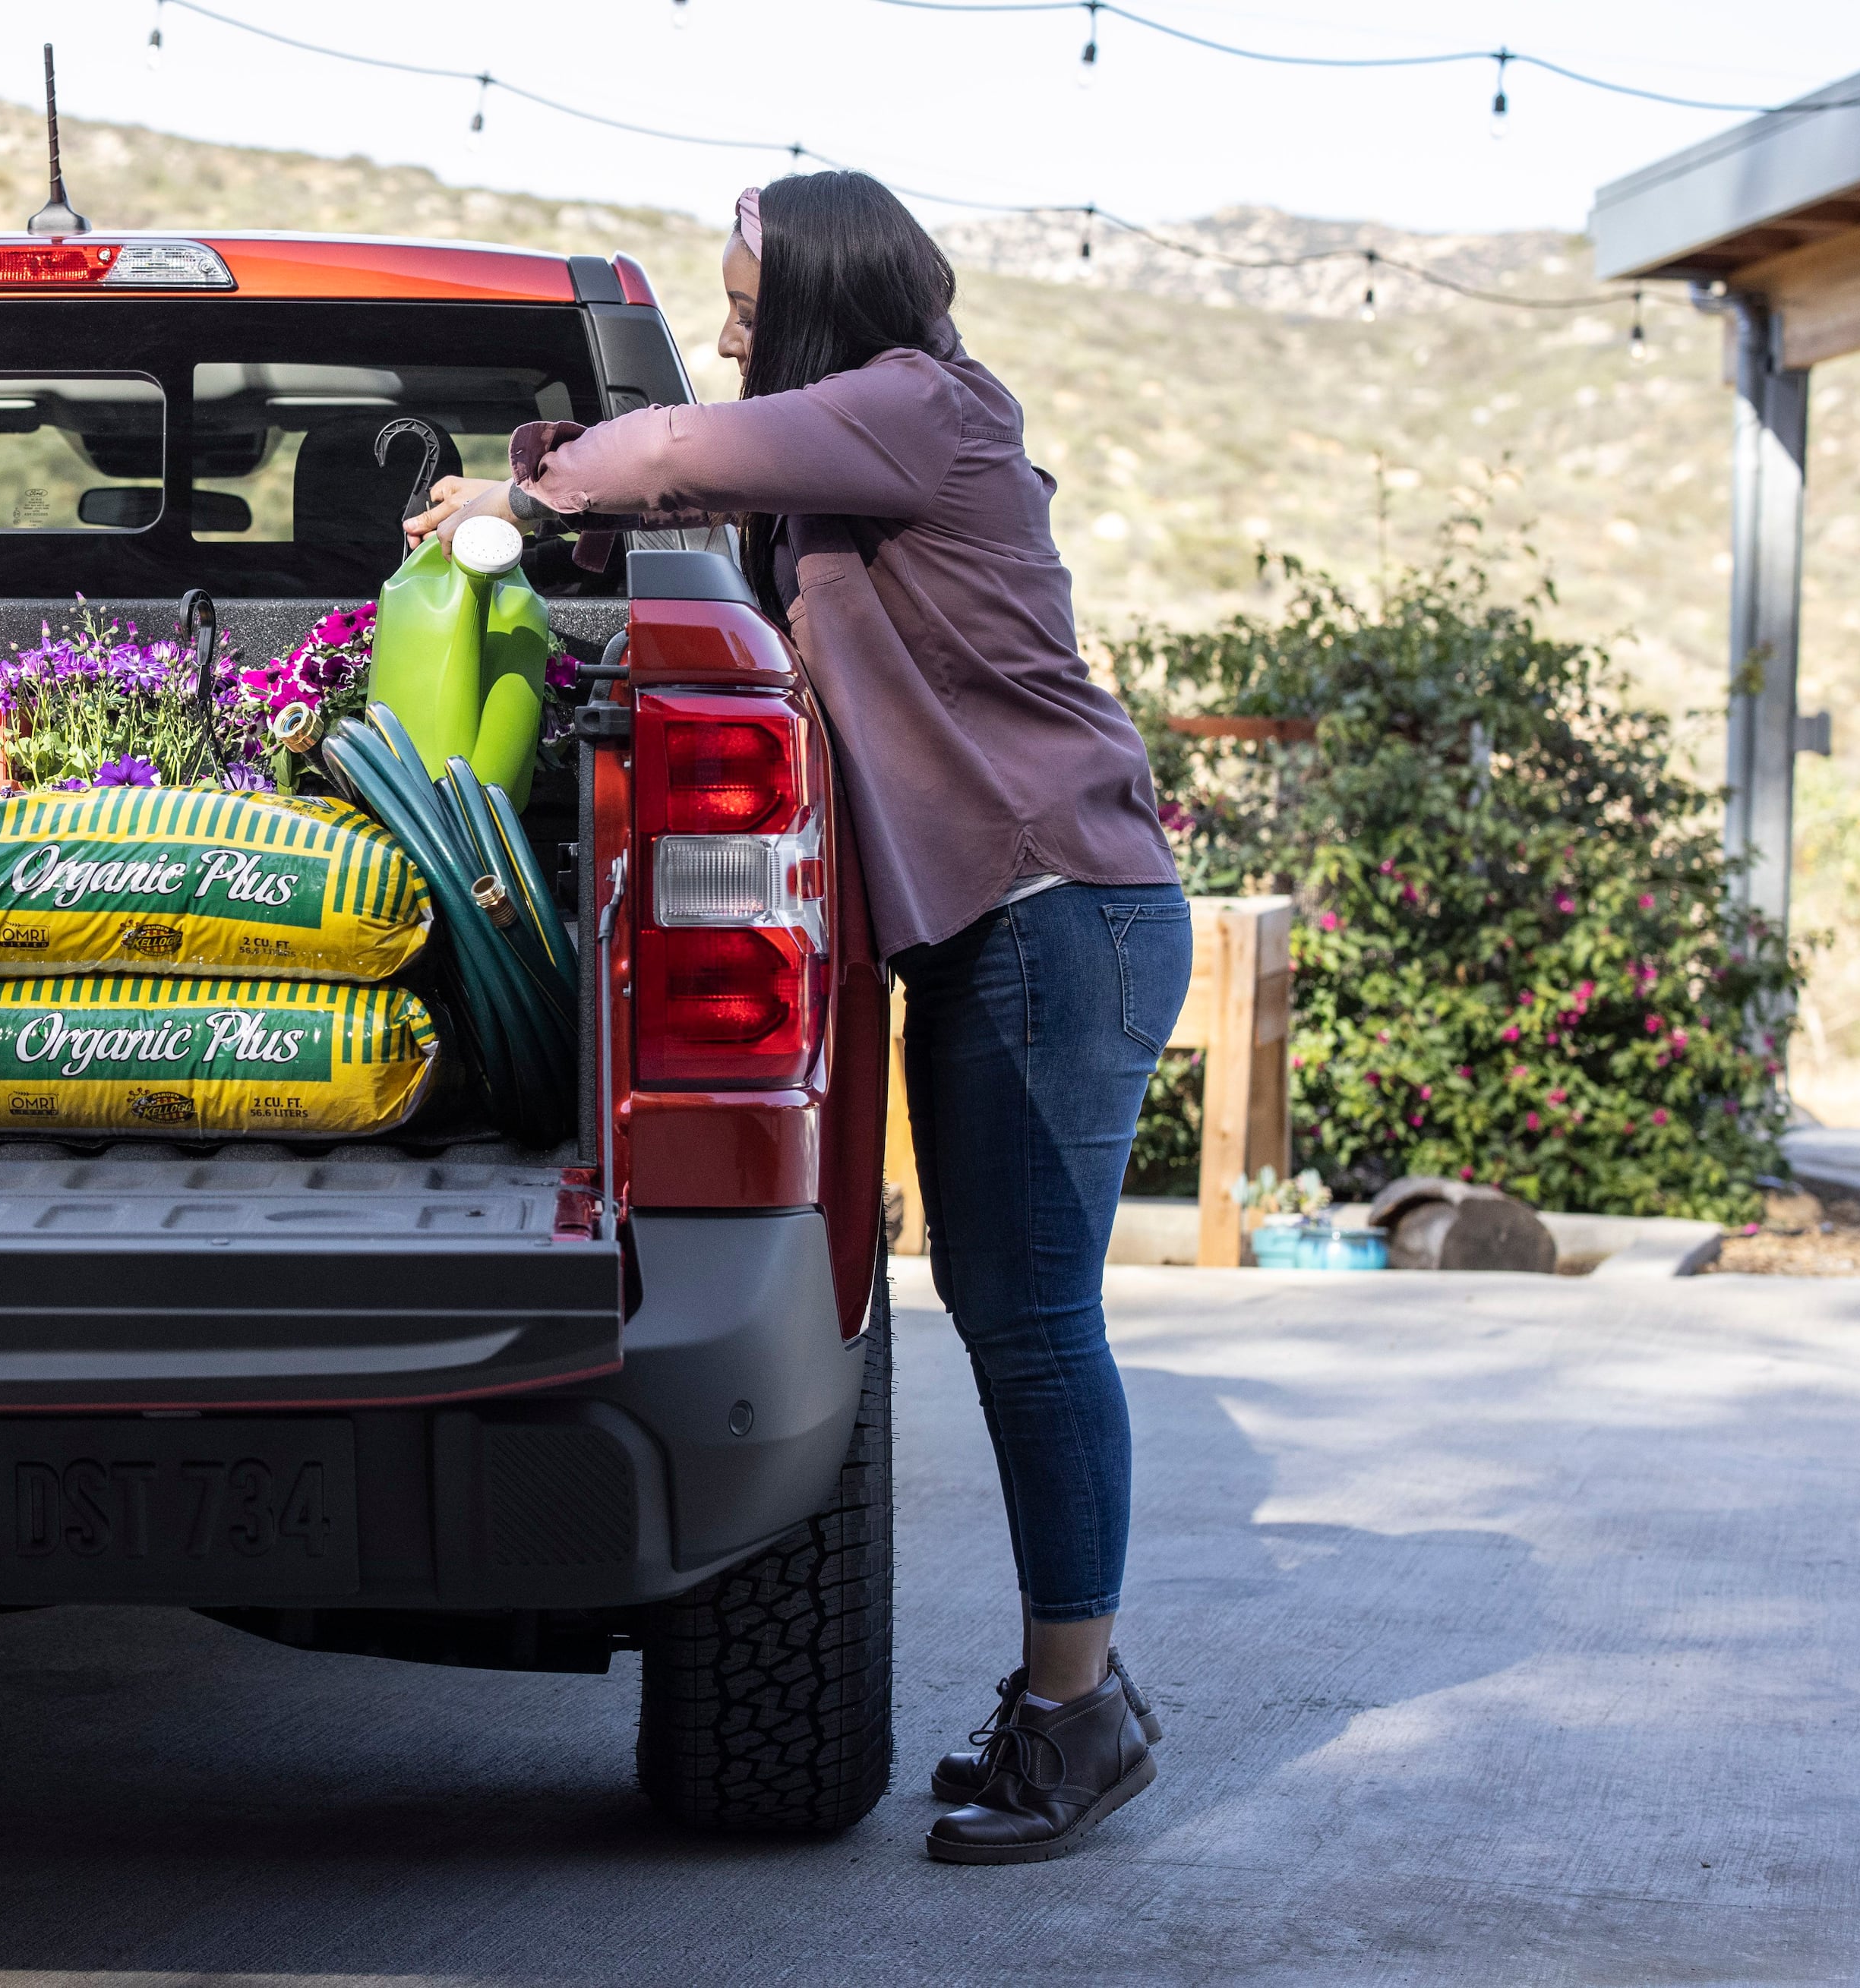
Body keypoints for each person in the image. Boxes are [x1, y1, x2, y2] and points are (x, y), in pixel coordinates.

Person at [406, 169, 1189, 1864]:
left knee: (1037, 1320)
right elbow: (693, 498)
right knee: (1005, 1306)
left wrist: (520, 485)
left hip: (1061, 913)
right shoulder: (861, 457)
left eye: (750, 296)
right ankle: (1074, 1695)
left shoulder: (921, 408)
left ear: (829, 289)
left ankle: (1082, 1709)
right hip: (1007, 927)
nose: (731, 324)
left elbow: (675, 449)